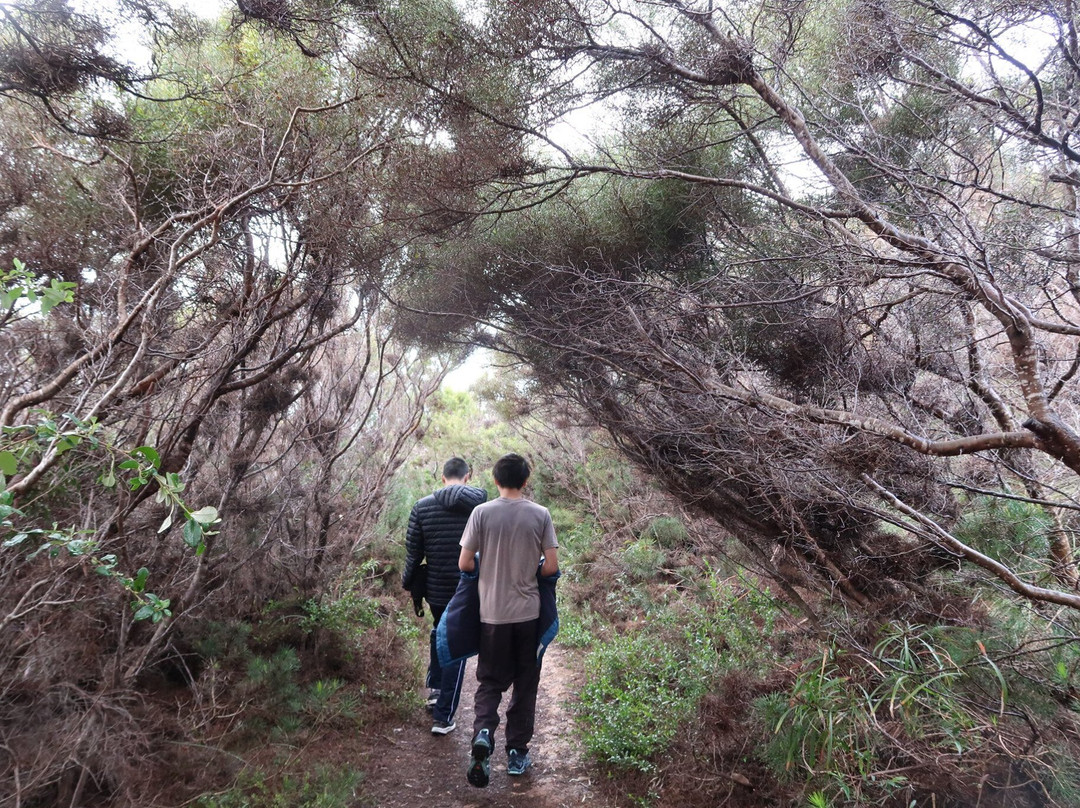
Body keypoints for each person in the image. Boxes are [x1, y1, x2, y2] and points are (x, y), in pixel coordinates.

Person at [458, 453, 559, 787]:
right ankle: (517, 754)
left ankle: (484, 732)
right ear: (526, 480)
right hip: (528, 615)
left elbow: (465, 564)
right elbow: (551, 568)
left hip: (492, 615)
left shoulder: (481, 513)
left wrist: (486, 568)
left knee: (489, 682)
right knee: (525, 683)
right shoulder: (540, 514)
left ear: (495, 479)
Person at [402, 457, 487, 735]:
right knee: (455, 643)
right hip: (469, 586)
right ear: (467, 476)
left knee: (440, 632)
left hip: (436, 589)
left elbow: (414, 553)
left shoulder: (422, 507)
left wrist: (408, 583)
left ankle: (438, 693)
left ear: (442, 477)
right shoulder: (482, 507)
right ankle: (443, 716)